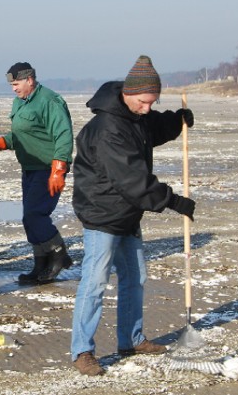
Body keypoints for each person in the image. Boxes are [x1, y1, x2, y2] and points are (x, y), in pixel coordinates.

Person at [70, 56, 196, 376]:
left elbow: (151, 128)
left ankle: (131, 338)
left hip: (127, 212)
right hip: (102, 213)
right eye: (144, 102)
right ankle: (82, 350)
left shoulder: (134, 115)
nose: (147, 108)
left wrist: (176, 120)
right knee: (95, 283)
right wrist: (174, 201)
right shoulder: (109, 128)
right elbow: (132, 180)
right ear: (129, 93)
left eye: (153, 102)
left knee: (135, 277)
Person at [0, 62, 74, 284]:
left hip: (48, 168)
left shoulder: (49, 101)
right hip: (30, 168)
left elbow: (63, 134)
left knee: (35, 215)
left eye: (16, 84)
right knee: (29, 219)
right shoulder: (20, 102)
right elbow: (23, 133)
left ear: (30, 80)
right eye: (12, 85)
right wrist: (2, 142)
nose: (14, 88)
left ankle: (58, 255)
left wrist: (59, 169)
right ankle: (40, 263)